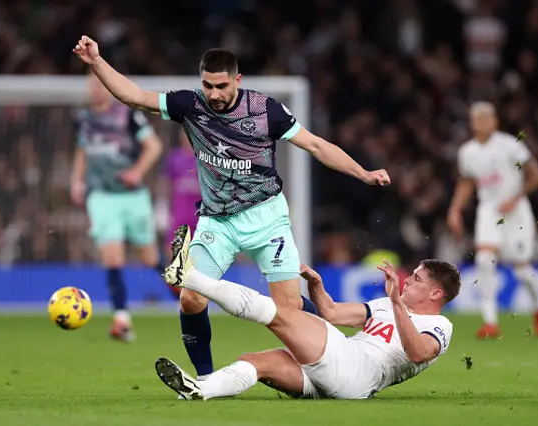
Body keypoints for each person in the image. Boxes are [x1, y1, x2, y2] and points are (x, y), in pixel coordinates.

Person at [73, 36, 391, 378]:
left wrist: (363, 172)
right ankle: (206, 380)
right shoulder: (190, 106)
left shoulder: (265, 110)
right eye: (207, 85)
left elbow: (315, 144)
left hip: (267, 219)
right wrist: (96, 62)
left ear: (237, 80)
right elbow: (134, 96)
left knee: (288, 309)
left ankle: (344, 354)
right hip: (217, 222)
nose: (214, 94)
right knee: (191, 298)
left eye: (221, 86)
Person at [154, 225, 460, 400]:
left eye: (417, 279)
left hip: (359, 371)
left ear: (436, 293)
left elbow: (419, 353)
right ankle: (199, 390)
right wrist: (317, 286)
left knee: (281, 315)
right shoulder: (384, 306)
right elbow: (331, 313)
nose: (408, 281)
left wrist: (395, 303)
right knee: (255, 362)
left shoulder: (439, 325)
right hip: (337, 373)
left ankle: (189, 277)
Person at [71, 72, 164, 342]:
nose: (97, 89)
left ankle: (185, 298)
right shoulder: (82, 119)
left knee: (149, 257)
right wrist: (76, 181)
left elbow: (154, 146)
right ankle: (121, 320)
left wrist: (137, 172)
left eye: (101, 84)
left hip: (133, 196)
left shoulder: (127, 115)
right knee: (112, 256)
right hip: (101, 196)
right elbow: (81, 150)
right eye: (92, 85)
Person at [447, 101, 538, 339]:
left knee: (522, 271)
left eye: (485, 118)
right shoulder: (467, 152)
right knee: (484, 259)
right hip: (489, 210)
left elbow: (537, 174)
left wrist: (517, 197)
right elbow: (466, 182)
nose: (480, 122)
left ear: (494, 121)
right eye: (476, 118)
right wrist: (455, 209)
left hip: (516, 211)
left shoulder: (509, 145)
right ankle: (490, 322)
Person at [162, 129, 201, 297]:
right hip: (179, 215)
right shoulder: (174, 158)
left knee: (199, 257)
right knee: (173, 255)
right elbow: (165, 184)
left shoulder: (205, 157)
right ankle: (177, 293)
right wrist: (162, 207)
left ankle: (198, 293)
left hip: (202, 216)